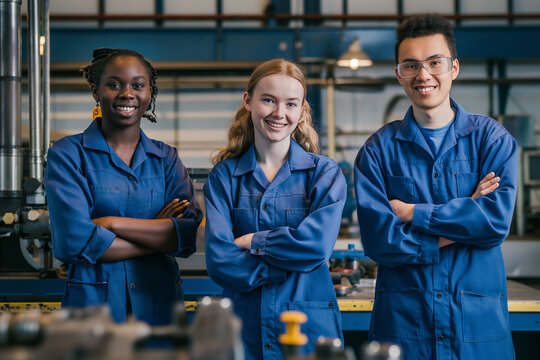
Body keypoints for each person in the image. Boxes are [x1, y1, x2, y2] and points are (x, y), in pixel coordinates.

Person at [354, 14, 518, 359]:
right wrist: (467, 213)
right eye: (411, 65)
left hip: (476, 332)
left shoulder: (492, 141)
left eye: (434, 62)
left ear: (454, 68)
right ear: (399, 73)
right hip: (404, 332)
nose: (423, 75)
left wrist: (412, 212)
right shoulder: (377, 151)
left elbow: (494, 224)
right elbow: (380, 243)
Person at [44, 48, 202, 326]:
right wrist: (156, 233)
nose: (127, 93)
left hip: (160, 309)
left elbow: (186, 236)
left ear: (149, 93)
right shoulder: (68, 154)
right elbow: (74, 242)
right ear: (96, 91)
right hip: (93, 315)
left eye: (137, 85)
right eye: (114, 84)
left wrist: (111, 224)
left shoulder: (166, 159)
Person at [204, 59, 346, 359]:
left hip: (309, 330)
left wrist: (253, 241)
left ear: (301, 109)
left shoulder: (324, 173)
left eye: (291, 104)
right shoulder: (224, 178)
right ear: (248, 101)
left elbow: (316, 247)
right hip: (244, 328)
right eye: (268, 100)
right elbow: (220, 261)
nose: (279, 113)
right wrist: (291, 264)